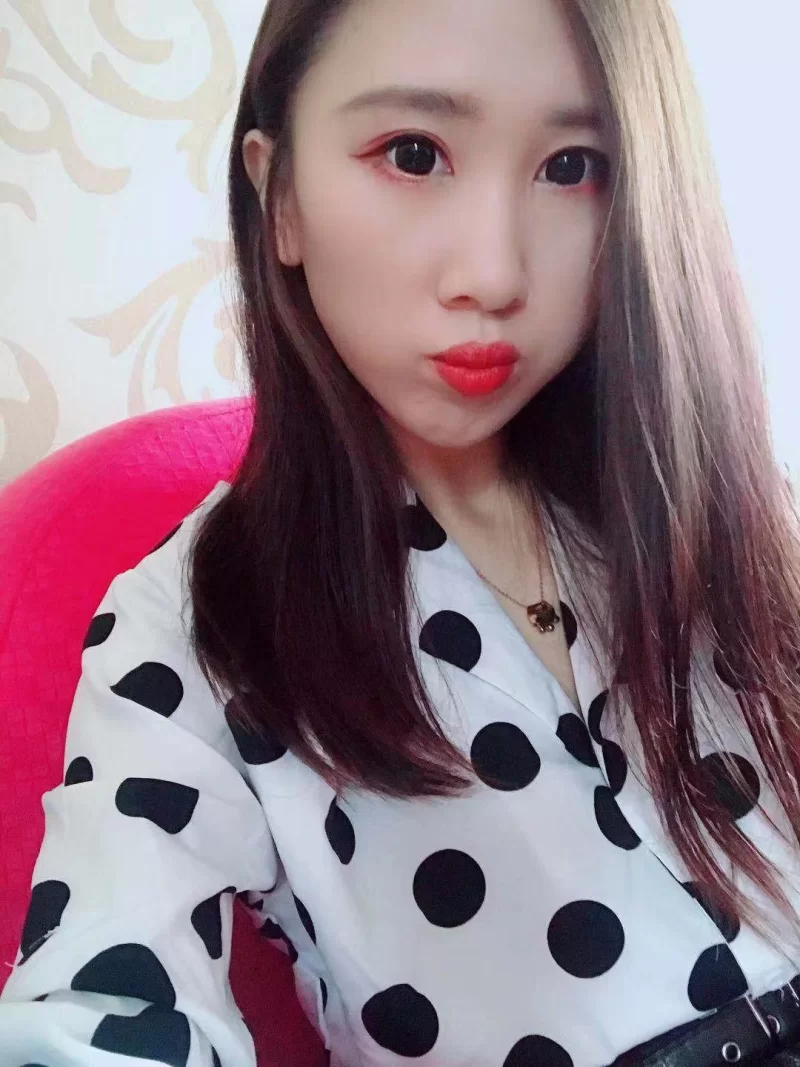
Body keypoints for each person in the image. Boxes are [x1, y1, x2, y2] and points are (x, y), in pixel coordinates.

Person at [3, 0, 800, 1063]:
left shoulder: (711, 505)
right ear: (280, 198)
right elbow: (101, 1002)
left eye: (571, 168)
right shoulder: (200, 621)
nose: (494, 275)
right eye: (413, 153)